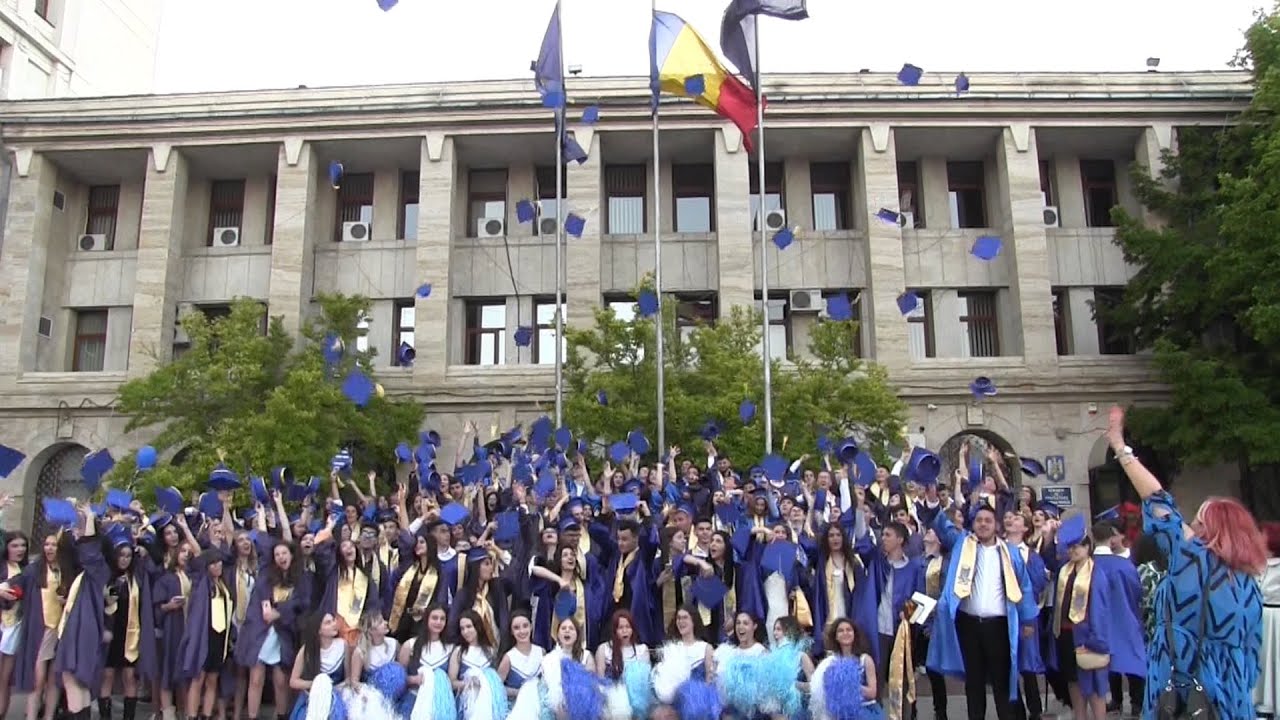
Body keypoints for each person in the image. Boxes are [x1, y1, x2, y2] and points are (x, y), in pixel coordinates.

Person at [1105, 405, 1266, 720]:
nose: (1191, 525)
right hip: (1232, 692)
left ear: (1212, 530)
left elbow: (1157, 500)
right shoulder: (1247, 579)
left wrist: (1120, 448)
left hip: (1185, 690)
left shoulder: (1193, 560)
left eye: (1198, 521)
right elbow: (1252, 651)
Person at [1255, 522, 1280, 719]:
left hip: (1276, 619)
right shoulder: (1256, 563)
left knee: (1275, 660)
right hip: (1259, 618)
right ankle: (1260, 701)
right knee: (1261, 659)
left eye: (1262, 535)